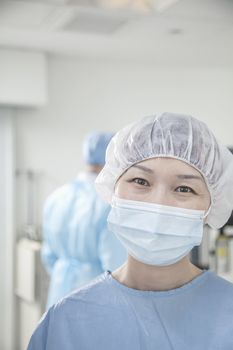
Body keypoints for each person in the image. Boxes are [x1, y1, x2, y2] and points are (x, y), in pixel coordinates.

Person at [28, 113, 233, 349]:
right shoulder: (63, 322)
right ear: (113, 191)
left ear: (211, 206)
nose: (158, 204)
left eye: (184, 188)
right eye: (141, 182)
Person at [41, 131, 127, 309]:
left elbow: (48, 256)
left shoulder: (56, 197)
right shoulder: (108, 202)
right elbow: (116, 266)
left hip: (59, 290)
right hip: (94, 295)